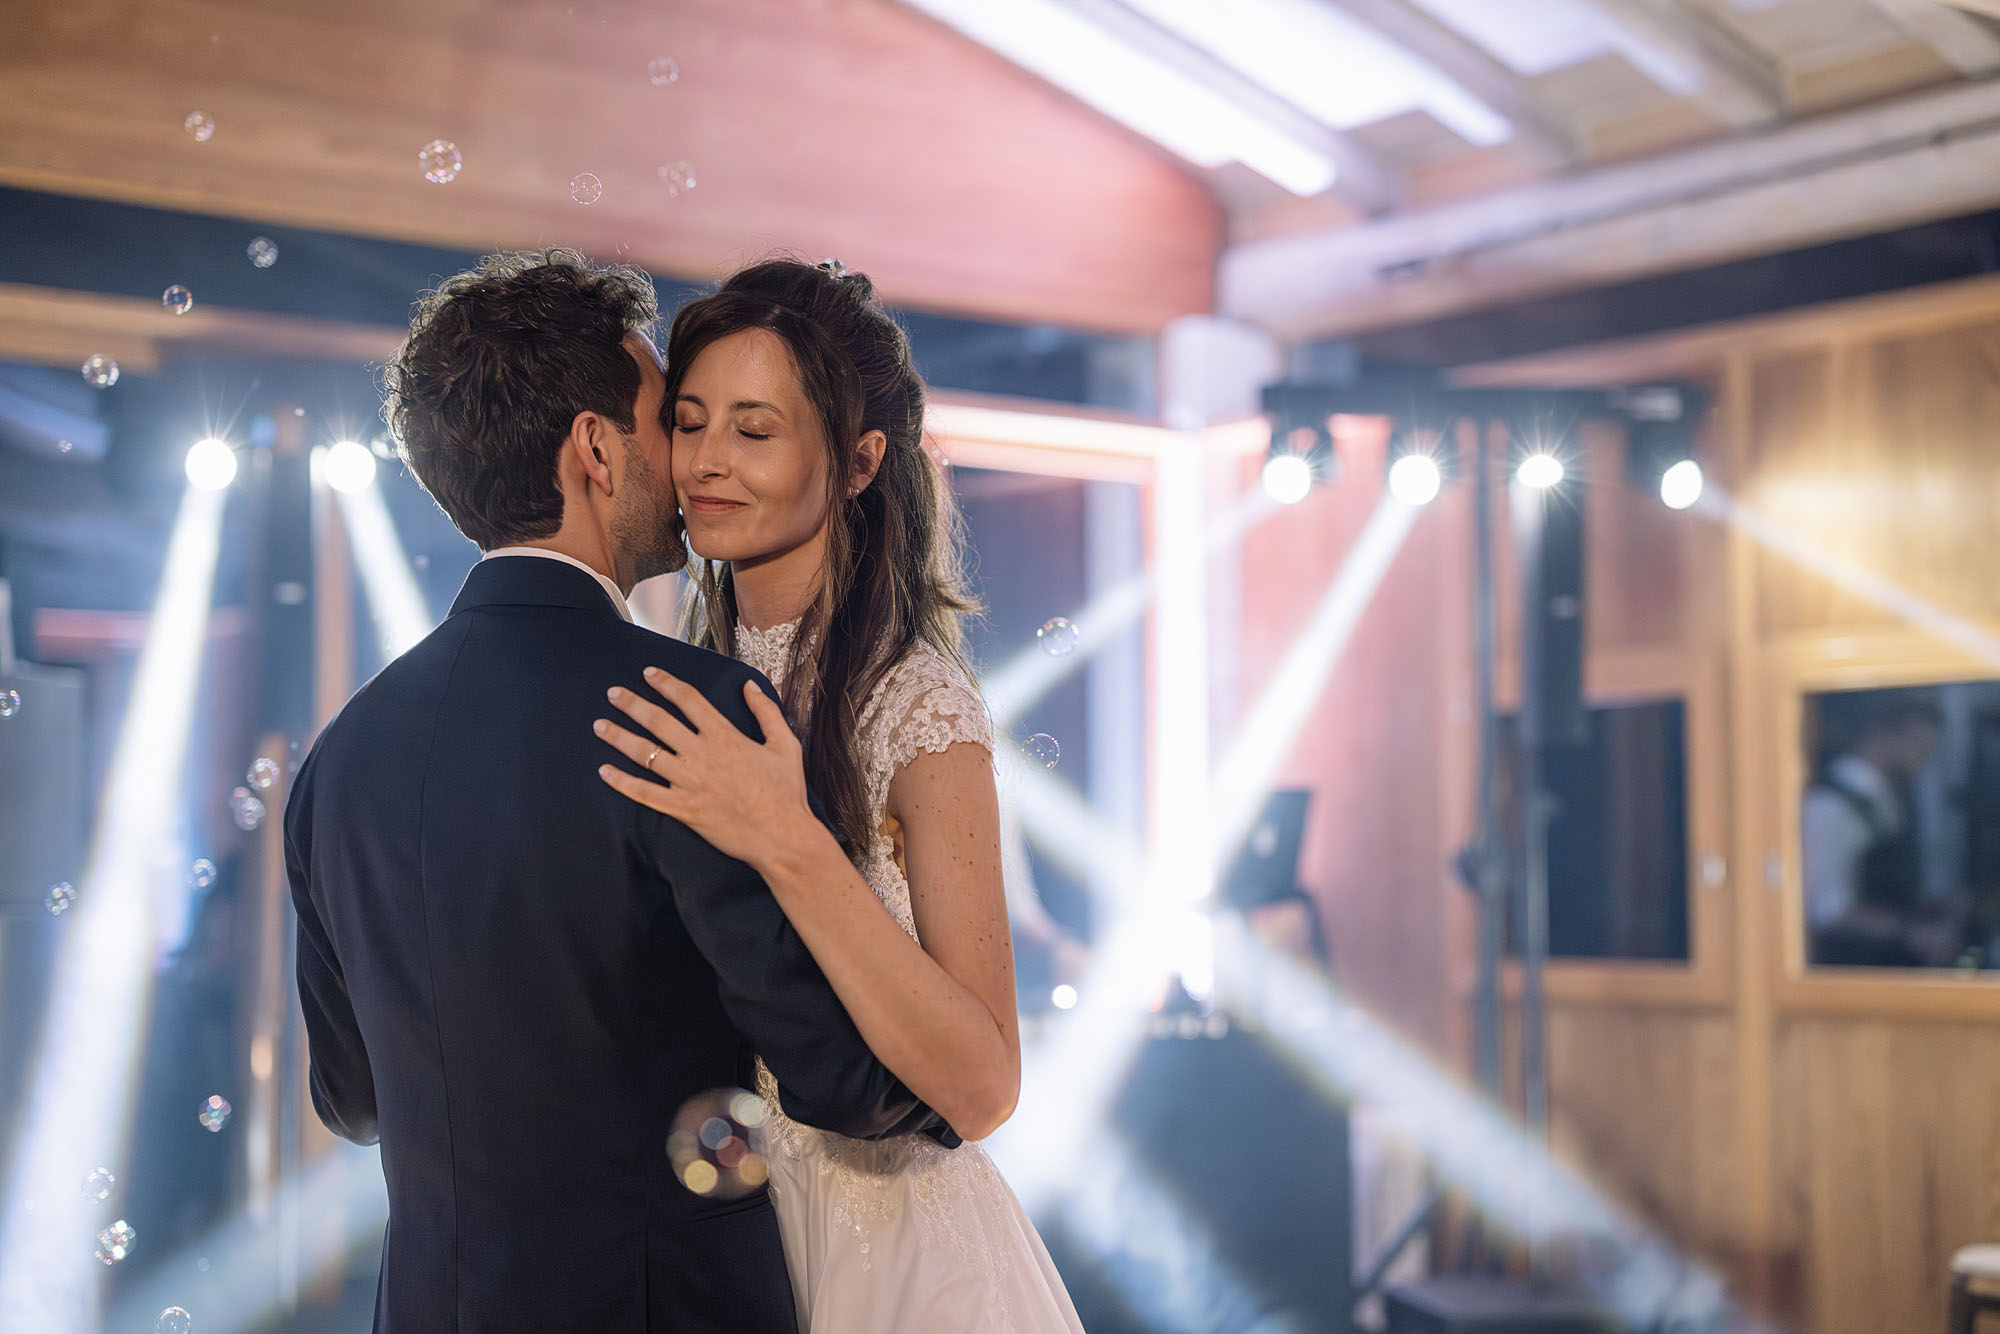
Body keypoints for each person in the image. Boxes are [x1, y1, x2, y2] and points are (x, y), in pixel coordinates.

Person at [285, 249, 950, 1334]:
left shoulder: (340, 757)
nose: (687, 463)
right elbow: (833, 1077)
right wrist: (954, 1085)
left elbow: (351, 1099)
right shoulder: (687, 711)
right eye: (666, 420)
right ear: (596, 449)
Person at [592, 258, 1084, 1332]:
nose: (706, 462)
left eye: (754, 431)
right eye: (689, 420)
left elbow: (983, 1083)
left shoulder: (914, 706)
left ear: (859, 459)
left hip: (893, 1250)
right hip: (719, 1239)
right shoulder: (674, 686)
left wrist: (787, 837)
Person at [1802, 693, 1959, 967]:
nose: (1925, 759)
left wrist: (1936, 907)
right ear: (1884, 737)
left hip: (1891, 966)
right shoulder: (1829, 804)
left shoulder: (1888, 798)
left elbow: (1881, 887)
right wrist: (1913, 933)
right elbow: (1828, 910)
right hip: (1852, 974)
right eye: (1920, 747)